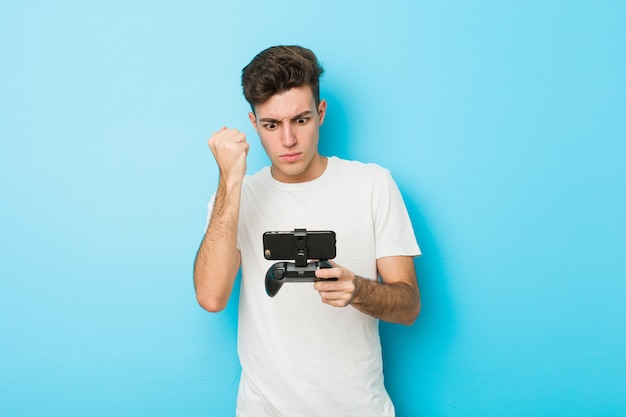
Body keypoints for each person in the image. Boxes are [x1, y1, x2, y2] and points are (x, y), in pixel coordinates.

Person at [193, 45, 421, 417]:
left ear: (321, 113)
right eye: (271, 125)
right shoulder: (233, 198)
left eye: (300, 120)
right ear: (253, 124)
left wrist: (358, 290)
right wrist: (230, 179)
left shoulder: (373, 185)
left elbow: (409, 306)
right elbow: (211, 297)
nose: (287, 141)